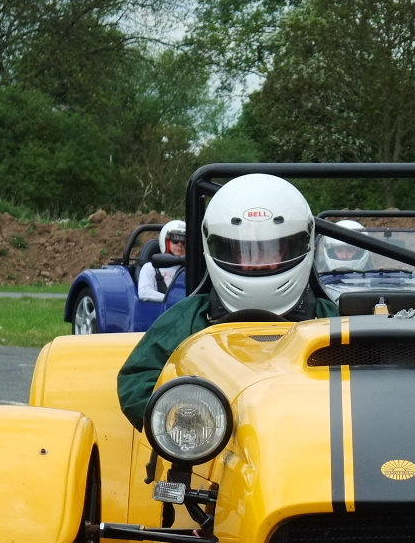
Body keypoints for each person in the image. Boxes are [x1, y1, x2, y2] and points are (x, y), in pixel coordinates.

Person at [117, 174, 339, 431]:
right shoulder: (189, 318)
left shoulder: (328, 320)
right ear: (216, 248)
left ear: (300, 244)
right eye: (242, 252)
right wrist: (189, 419)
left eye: (270, 250)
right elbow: (137, 380)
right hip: (210, 452)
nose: (257, 263)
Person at [137, 219, 186, 302]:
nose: (180, 244)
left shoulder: (192, 269)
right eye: (175, 240)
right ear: (165, 242)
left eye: (184, 241)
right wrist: (172, 300)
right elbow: (144, 293)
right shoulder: (150, 268)